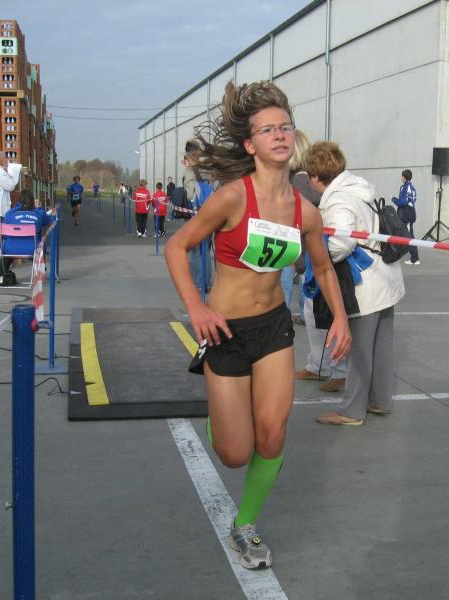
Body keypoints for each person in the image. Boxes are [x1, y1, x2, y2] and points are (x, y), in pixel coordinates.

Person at [164, 80, 351, 570]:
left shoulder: (304, 210)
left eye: (285, 126)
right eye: (267, 130)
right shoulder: (231, 198)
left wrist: (340, 317)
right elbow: (177, 246)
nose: (280, 134)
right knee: (235, 452)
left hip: (273, 329)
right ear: (250, 145)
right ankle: (222, 418)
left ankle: (244, 525)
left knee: (272, 435)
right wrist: (196, 308)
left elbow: (324, 267)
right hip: (225, 332)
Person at [304, 141, 405, 425]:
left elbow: (341, 243)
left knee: (359, 349)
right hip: (385, 276)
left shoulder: (338, 199)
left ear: (315, 176)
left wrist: (317, 255)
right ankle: (379, 400)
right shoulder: (360, 188)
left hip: (364, 283)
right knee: (382, 346)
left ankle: (351, 411)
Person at [290, 130, 347, 393]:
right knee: (314, 316)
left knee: (324, 316)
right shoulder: (302, 181)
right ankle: (320, 366)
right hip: (311, 260)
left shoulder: (301, 182)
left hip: (317, 260)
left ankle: (337, 370)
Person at [0, 188, 52, 282]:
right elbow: (47, 221)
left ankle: (2, 275)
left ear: (19, 201)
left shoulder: (9, 214)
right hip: (32, 248)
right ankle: (40, 270)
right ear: (32, 200)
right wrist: (39, 208)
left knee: (6, 248)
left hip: (9, 249)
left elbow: (4, 231)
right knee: (41, 244)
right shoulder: (38, 213)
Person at [183, 141, 213, 291]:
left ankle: (199, 283)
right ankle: (206, 282)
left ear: (188, 156)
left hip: (196, 216)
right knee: (205, 250)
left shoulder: (190, 172)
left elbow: (190, 195)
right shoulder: (206, 169)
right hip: (210, 214)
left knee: (195, 252)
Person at [392, 169, 419, 265]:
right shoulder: (410, 187)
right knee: (406, 234)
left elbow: (403, 202)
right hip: (409, 213)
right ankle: (414, 258)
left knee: (409, 236)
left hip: (406, 214)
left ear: (404, 177)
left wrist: (394, 199)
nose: (401, 178)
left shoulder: (406, 187)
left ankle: (415, 259)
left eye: (402, 176)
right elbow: (413, 199)